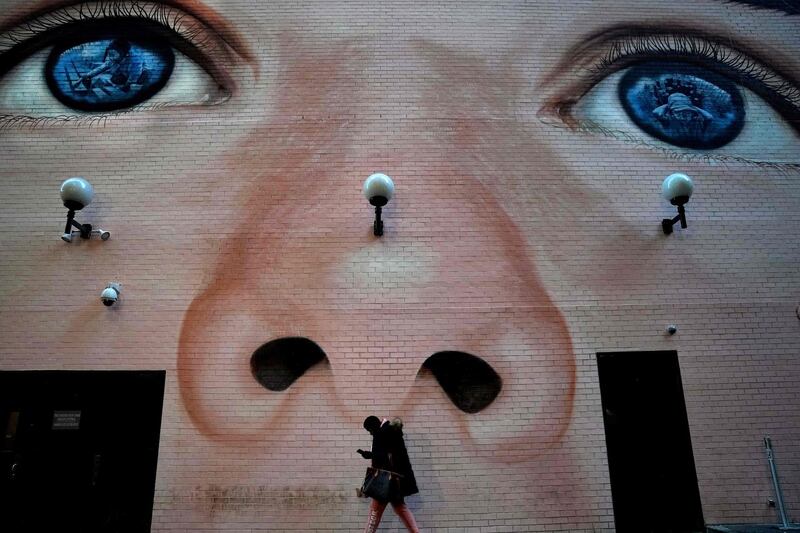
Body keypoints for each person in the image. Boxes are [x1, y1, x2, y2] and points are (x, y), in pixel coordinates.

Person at [358, 416, 420, 533]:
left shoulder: (381, 433)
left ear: (374, 426)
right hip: (396, 480)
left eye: (369, 430)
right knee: (401, 508)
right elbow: (388, 453)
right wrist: (370, 454)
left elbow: (382, 457)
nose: (370, 433)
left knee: (374, 512)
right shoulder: (390, 431)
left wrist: (370, 455)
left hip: (385, 481)